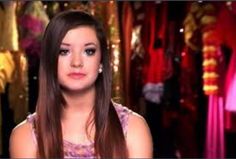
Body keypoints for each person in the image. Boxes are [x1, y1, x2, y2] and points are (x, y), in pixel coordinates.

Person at [9, 10, 153, 158]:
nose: (76, 62)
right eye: (64, 51)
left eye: (89, 51)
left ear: (101, 62)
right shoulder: (25, 137)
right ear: (50, 60)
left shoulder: (133, 129)